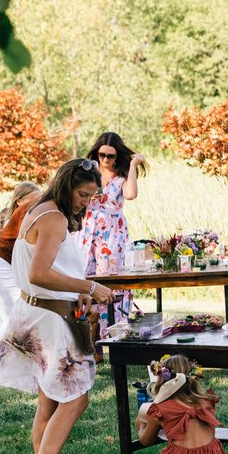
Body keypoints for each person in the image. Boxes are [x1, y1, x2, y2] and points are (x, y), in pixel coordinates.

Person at [0, 158, 115, 454]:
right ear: (65, 185)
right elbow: (39, 272)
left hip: (37, 312)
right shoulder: (54, 218)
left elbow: (44, 269)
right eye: (82, 194)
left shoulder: (36, 209)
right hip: (48, 321)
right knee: (76, 400)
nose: (85, 202)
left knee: (48, 403)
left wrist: (75, 291)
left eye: (92, 197)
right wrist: (89, 286)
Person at [125, 354, 228, 454]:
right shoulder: (205, 401)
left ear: (162, 380)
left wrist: (141, 424)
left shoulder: (161, 408)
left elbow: (145, 440)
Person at [80, 131, 145, 328]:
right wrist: (87, 199)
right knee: (85, 275)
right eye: (102, 155)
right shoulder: (88, 172)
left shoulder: (121, 176)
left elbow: (131, 194)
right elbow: (73, 196)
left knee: (111, 278)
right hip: (87, 229)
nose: (105, 160)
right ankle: (89, 329)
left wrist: (133, 165)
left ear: (117, 156)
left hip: (112, 233)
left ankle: (112, 328)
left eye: (110, 156)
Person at [0, 182, 40, 329]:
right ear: (19, 201)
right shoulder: (18, 218)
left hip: (3, 265)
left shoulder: (24, 216)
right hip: (1, 265)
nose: (37, 204)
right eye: (32, 201)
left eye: (39, 200)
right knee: (15, 319)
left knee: (15, 320)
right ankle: (6, 351)